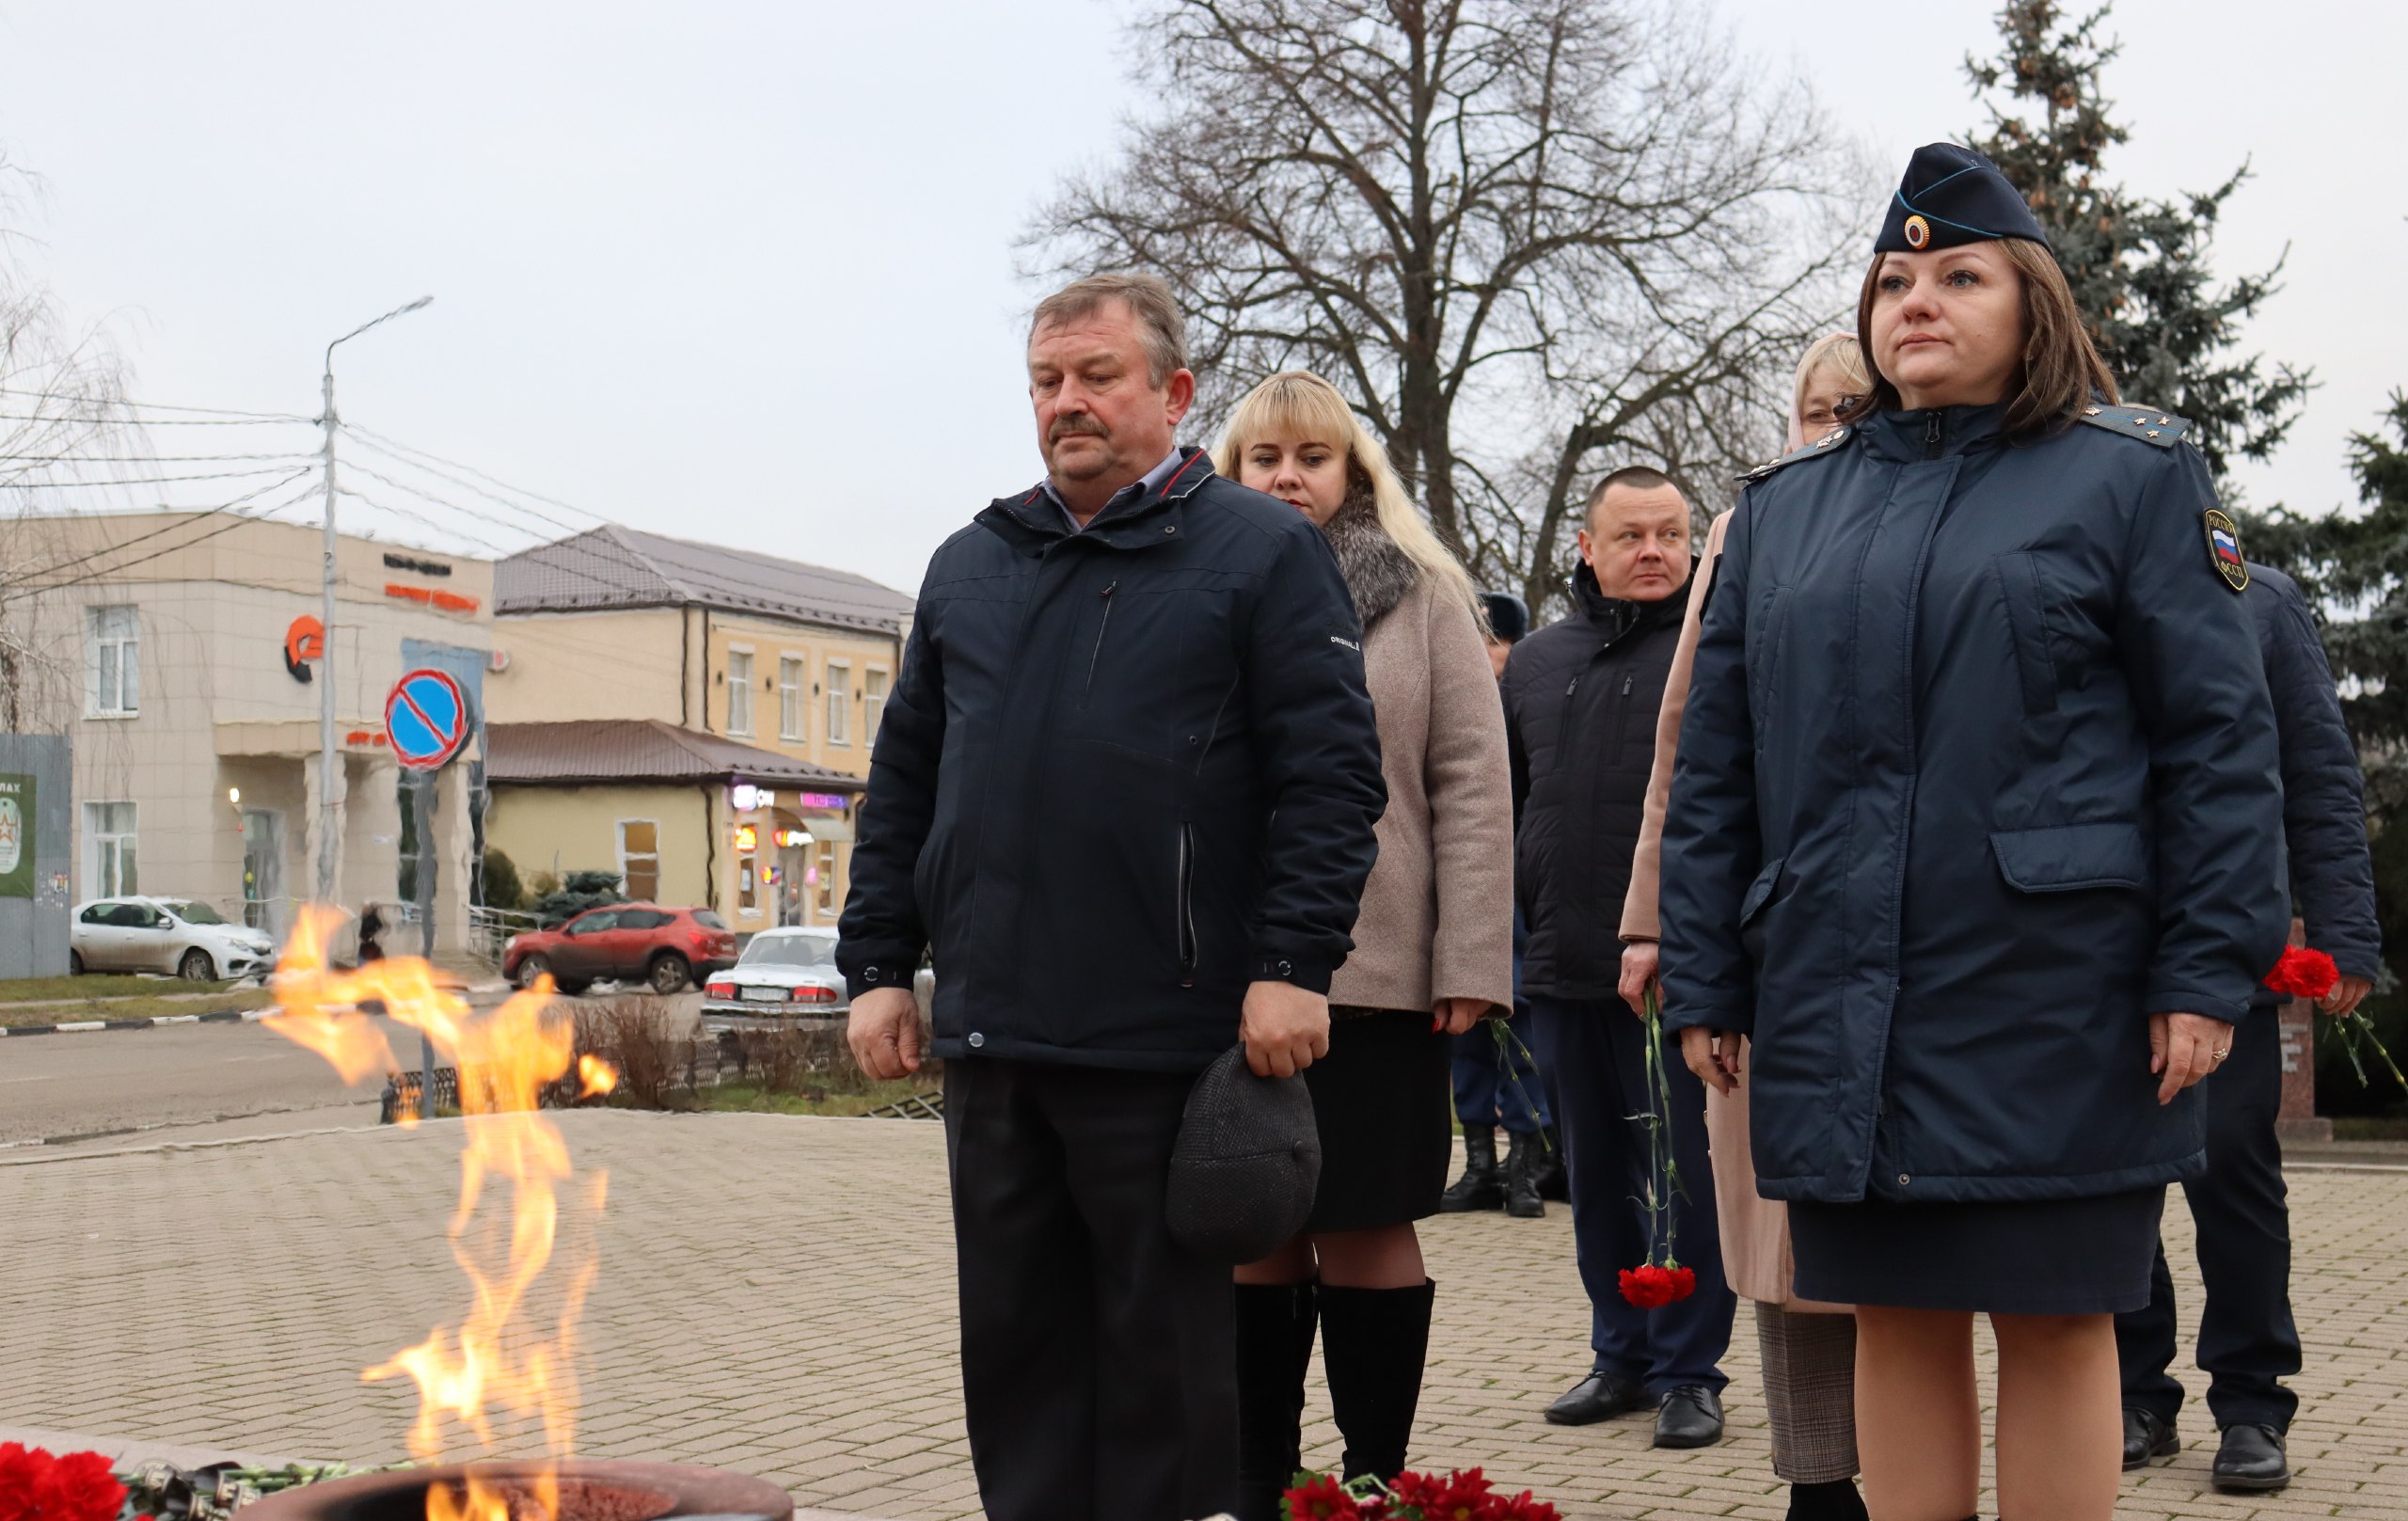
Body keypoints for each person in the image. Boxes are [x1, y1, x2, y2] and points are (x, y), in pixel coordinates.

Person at [1656, 142, 2289, 1521]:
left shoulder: (2130, 480)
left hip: (2054, 992)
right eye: (1894, 279)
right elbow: (1719, 769)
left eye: (1959, 274)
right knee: (1892, 1311)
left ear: (2034, 305)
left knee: (2058, 1318)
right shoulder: (1782, 514)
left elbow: (2219, 746)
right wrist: (1706, 972)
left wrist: (2202, 971)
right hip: (1838, 989)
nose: (1916, 301)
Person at [838, 274, 1387, 1521]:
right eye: (1047, 381)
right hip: (993, 1034)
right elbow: (906, 779)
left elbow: (1330, 778)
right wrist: (875, 964)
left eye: (1098, 376)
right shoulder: (971, 564)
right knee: (1019, 1360)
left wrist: (1295, 962)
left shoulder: (1261, 554)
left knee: (1162, 1370)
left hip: (1167, 1033)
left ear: (1175, 393)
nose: (1068, 402)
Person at [1212, 369, 1514, 1521]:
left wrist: (1473, 963)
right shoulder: (1198, 591)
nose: (1286, 478)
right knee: (1256, 1220)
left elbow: (1473, 789)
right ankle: (1256, 1477)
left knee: (1365, 1219)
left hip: (1383, 976)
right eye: (1263, 459)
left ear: (1352, 475)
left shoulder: (1425, 597)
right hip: (1232, 976)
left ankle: (1372, 1476)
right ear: (1233, 470)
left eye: (1311, 458)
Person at [1619, 333, 1872, 1521]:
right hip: (1773, 933)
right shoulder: (1747, 530)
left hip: (1922, 935)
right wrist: (1656, 927)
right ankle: (1816, 1485)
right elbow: (1690, 751)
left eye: (1853, 409)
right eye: (1813, 411)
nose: (1830, 429)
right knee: (1782, 1239)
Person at [2116, 559, 2382, 1492]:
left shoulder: (2256, 599)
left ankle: (2251, 1402)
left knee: (2230, 1174)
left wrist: (2344, 933)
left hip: (2224, 949)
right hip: (2085, 952)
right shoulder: (2057, 579)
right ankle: (2133, 1394)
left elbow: (2315, 768)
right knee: (2107, 1187)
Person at [1506, 465, 1736, 1449]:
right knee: (1595, 1178)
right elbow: (1507, 806)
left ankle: (1691, 1370)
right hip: (1560, 967)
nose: (1654, 553)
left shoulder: (1717, 648)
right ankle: (1620, 1355)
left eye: (1671, 535)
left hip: (1673, 974)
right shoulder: (1531, 663)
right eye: (1631, 536)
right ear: (1587, 551)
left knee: (1683, 1177)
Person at [1441, 589, 1561, 1220]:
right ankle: (1480, 1166)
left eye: (1496, 639)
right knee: (1463, 1032)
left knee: (1519, 1026)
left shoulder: (1531, 704)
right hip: (1462, 880)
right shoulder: (1453, 698)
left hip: (1519, 881)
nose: (1487, 651)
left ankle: (1525, 1167)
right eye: (1478, 638)